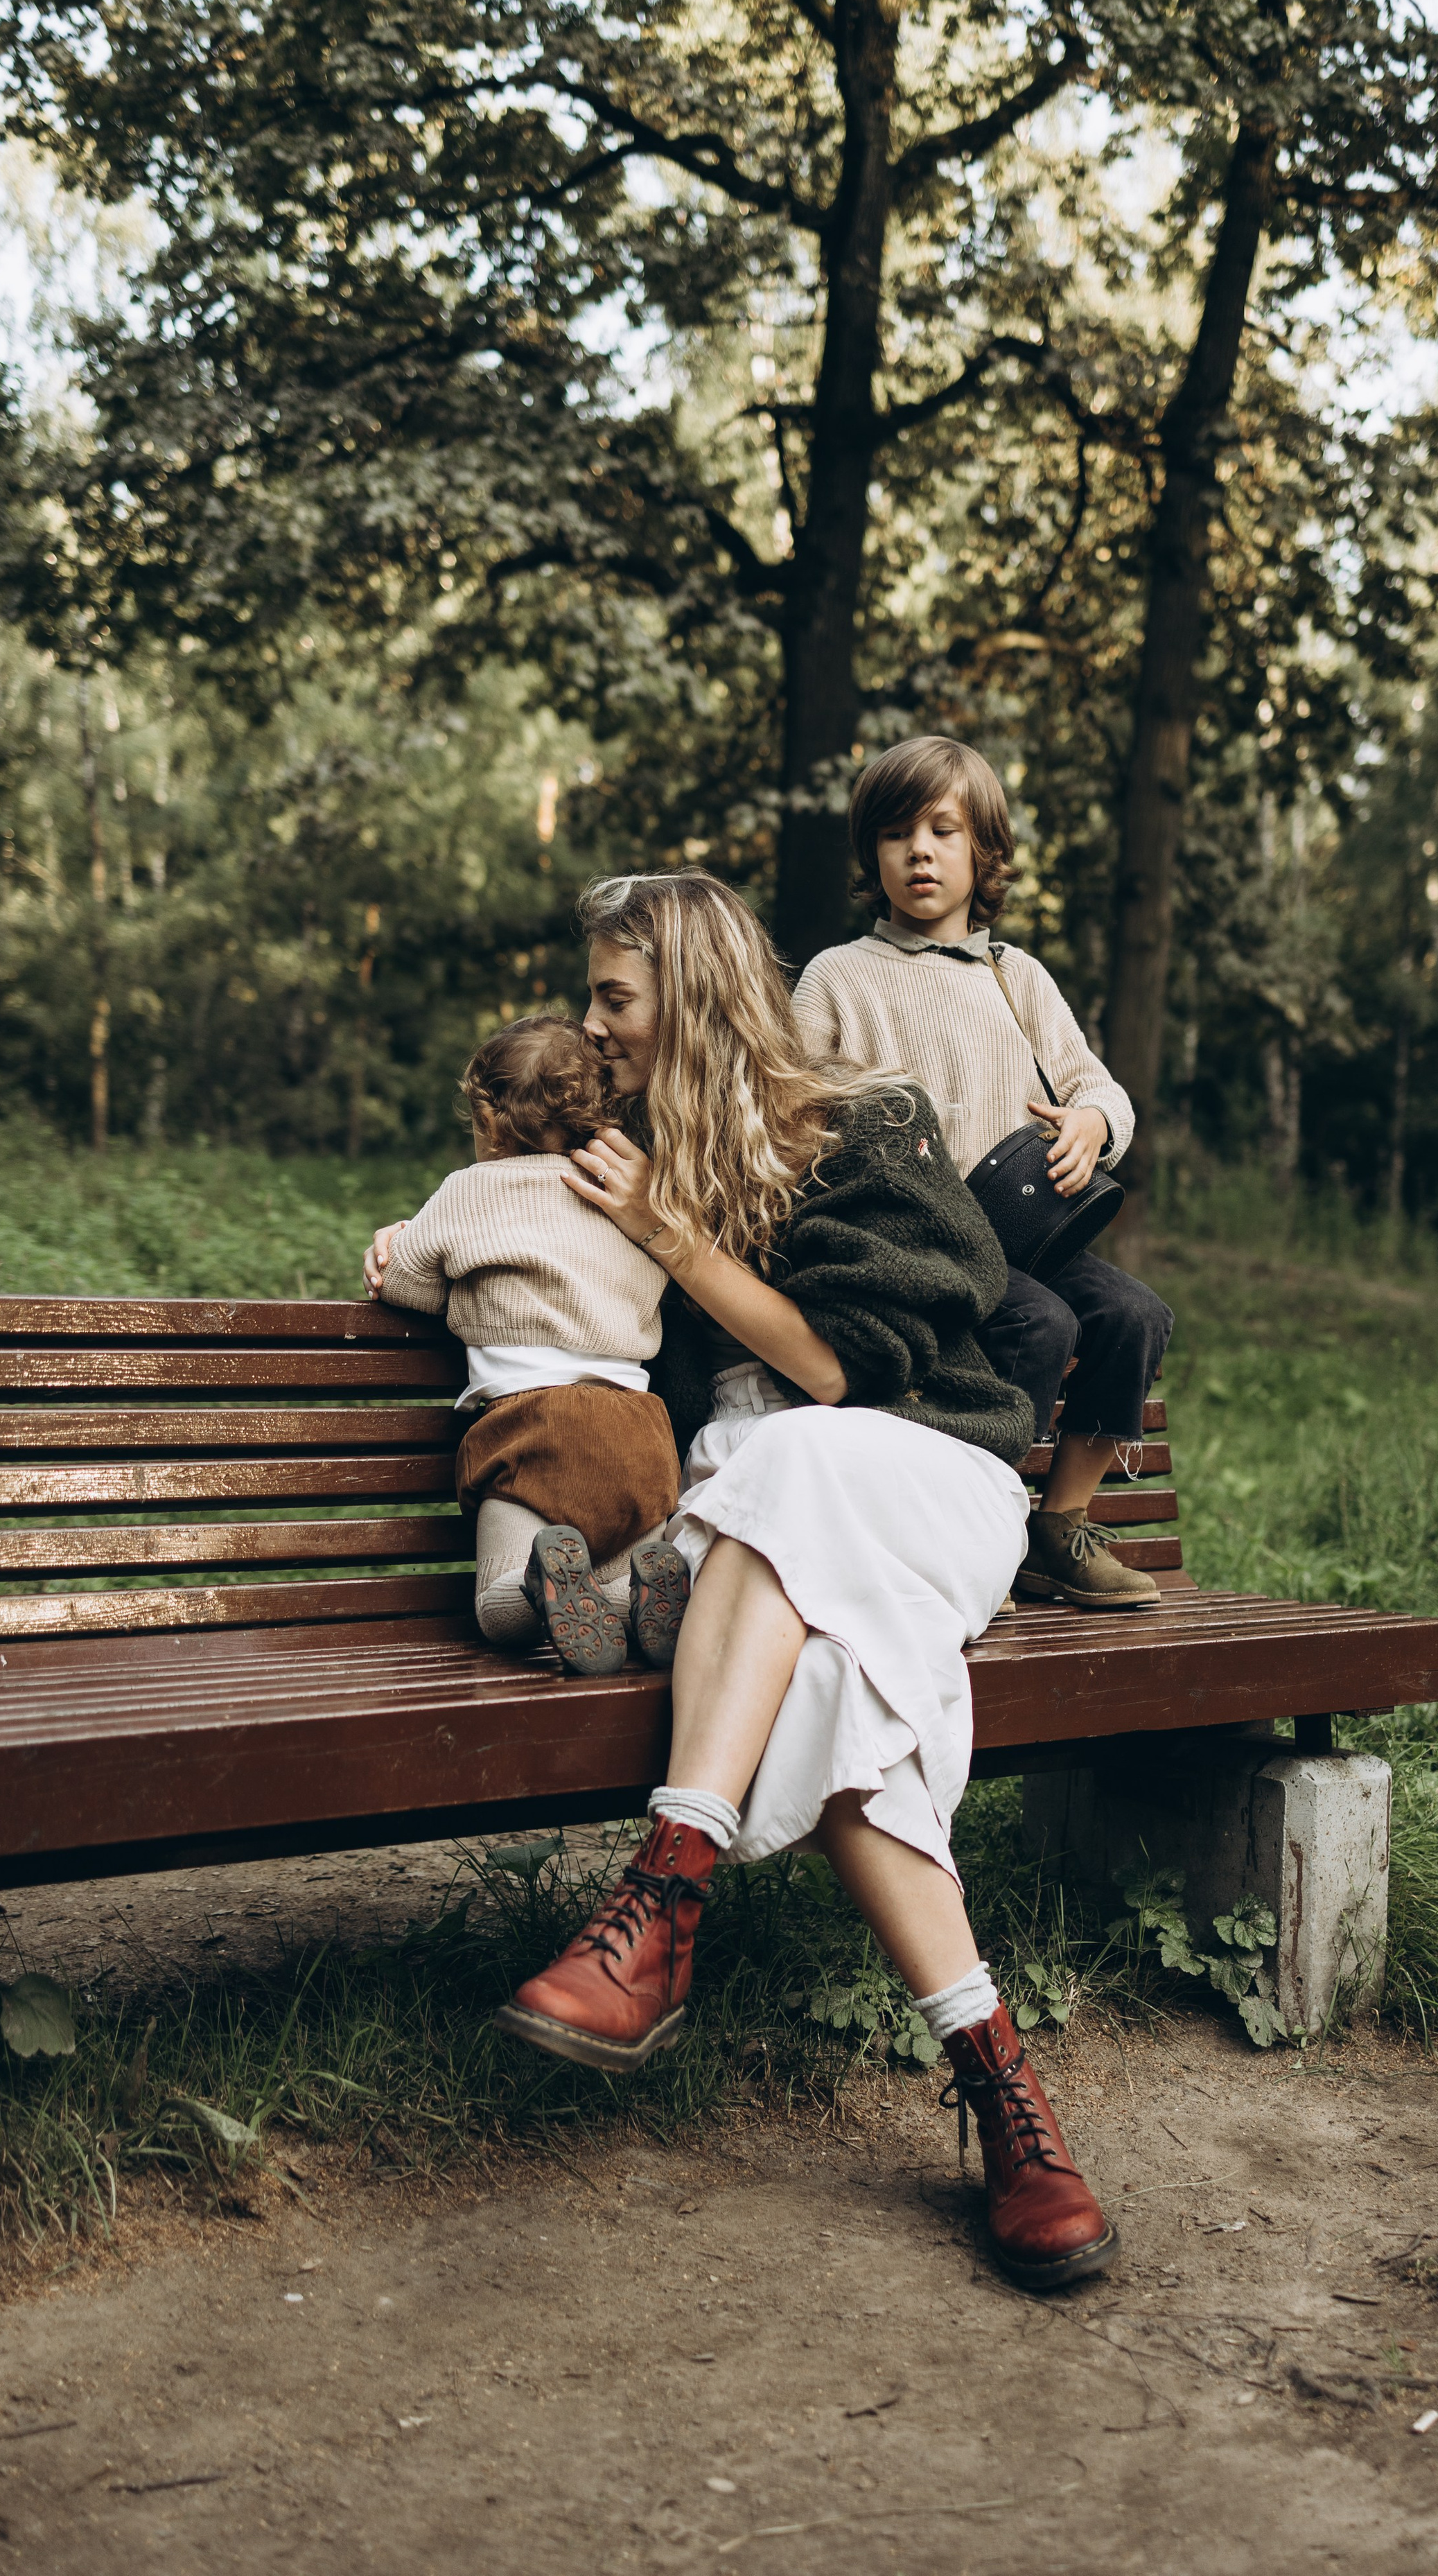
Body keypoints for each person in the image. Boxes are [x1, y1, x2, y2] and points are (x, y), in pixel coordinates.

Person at [468, 869, 1119, 2292]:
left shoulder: (858, 1128)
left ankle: (664, 1885)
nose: (595, 1024)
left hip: (922, 1482)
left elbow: (837, 1374)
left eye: (614, 997)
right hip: (767, 1545)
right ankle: (1001, 2087)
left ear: (690, 996)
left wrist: (670, 1237)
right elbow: (513, 1252)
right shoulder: (638, 1152)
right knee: (834, 1695)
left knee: (793, 1455)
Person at [793, 735, 1173, 1615]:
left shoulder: (1016, 978)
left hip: (1017, 1231)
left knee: (1131, 1314)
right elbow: (789, 1110)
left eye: (943, 830)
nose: (918, 850)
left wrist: (1092, 1125)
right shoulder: (838, 979)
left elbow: (1099, 1089)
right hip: (913, 1245)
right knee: (1039, 1324)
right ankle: (961, 1541)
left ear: (984, 853)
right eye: (894, 834)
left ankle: (1055, 1529)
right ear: (870, 855)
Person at [362, 1015, 690, 1674]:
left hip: (535, 1432)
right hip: (642, 1438)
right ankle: (645, 1589)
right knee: (626, 1574)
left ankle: (544, 1578)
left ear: (488, 1119)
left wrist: (400, 1238)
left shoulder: (470, 1191)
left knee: (501, 1607)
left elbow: (410, 1286)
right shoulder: (628, 1193)